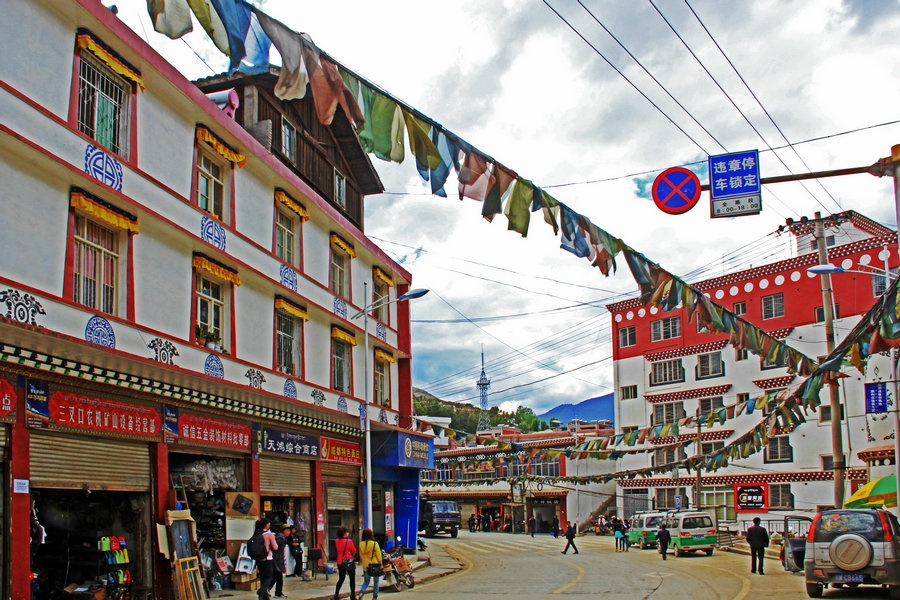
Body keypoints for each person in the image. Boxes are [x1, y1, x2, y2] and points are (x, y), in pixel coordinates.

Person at [254, 518, 279, 600]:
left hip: (259, 559)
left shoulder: (257, 533)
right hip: (268, 558)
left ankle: (263, 596)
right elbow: (275, 547)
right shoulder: (269, 535)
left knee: (263, 577)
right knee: (269, 577)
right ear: (267, 525)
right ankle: (261, 591)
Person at [357, 527, 383, 599]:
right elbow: (378, 555)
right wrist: (381, 563)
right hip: (375, 565)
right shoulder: (375, 544)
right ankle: (374, 597)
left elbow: (361, 556)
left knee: (366, 581)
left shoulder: (360, 544)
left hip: (365, 566)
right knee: (376, 582)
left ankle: (361, 593)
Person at [333, 526, 357, 600]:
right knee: (352, 579)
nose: (348, 533)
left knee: (341, 578)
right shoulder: (349, 541)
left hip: (340, 561)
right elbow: (354, 551)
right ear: (344, 533)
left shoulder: (336, 541)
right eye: (347, 532)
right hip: (349, 561)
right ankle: (352, 595)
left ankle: (336, 594)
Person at [269, 524, 288, 598]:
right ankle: (278, 593)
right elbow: (275, 548)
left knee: (276, 577)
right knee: (279, 577)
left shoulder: (281, 538)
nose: (288, 532)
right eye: (287, 530)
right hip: (277, 560)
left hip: (277, 559)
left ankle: (267, 589)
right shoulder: (280, 538)